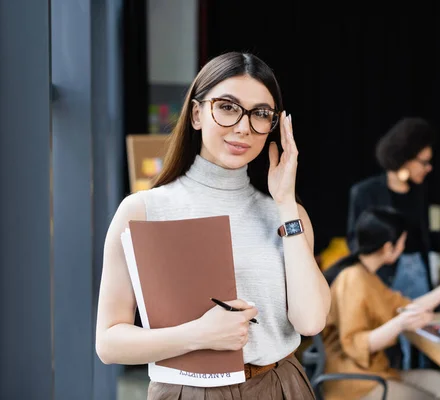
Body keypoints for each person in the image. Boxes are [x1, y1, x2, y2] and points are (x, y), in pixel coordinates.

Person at [95, 51, 330, 399]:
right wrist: (199, 334)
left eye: (260, 115)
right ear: (196, 113)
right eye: (227, 107)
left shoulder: (286, 214)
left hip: (281, 384)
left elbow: (311, 321)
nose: (243, 127)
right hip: (187, 391)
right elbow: (109, 343)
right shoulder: (144, 211)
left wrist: (284, 203)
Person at [322, 206, 440, 400]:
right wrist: (401, 323)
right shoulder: (353, 279)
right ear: (388, 247)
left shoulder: (367, 277)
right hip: (356, 383)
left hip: (379, 372)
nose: (402, 249)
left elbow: (408, 306)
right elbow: (355, 344)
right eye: (402, 243)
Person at [347, 117, 440, 299]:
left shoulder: (418, 191)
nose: (429, 168)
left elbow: (417, 237)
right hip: (382, 276)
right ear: (405, 158)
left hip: (417, 274)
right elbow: (356, 242)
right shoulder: (365, 192)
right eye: (424, 162)